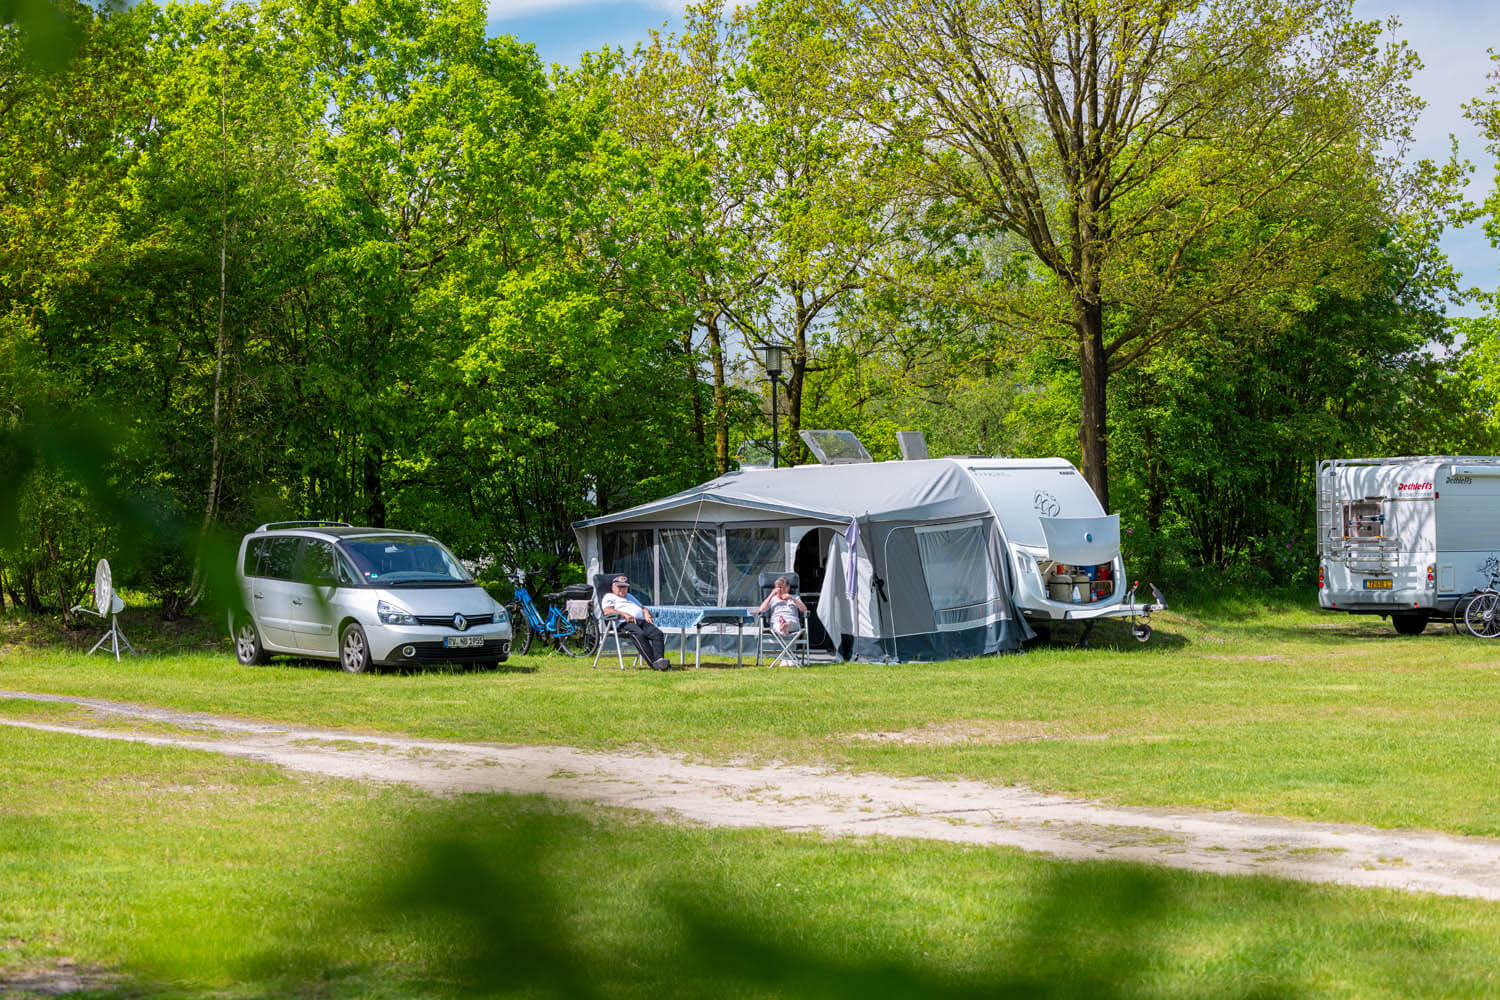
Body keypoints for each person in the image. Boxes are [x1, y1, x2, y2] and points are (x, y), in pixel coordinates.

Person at [600, 574, 670, 671]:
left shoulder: (629, 596)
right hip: (625, 623)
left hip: (641, 621)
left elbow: (642, 607)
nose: (622, 589)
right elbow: (607, 611)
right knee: (640, 634)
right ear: (613, 587)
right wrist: (624, 614)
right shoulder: (609, 597)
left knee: (657, 634)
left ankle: (660, 660)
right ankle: (654, 663)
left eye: (625, 587)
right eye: (620, 587)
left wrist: (646, 613)